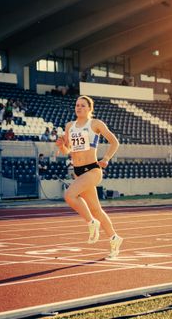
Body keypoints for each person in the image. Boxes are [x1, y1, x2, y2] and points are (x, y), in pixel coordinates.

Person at [55, 95, 122, 259]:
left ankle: (92, 223)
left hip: (92, 170)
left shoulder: (95, 124)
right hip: (78, 171)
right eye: (77, 105)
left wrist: (106, 159)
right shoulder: (69, 126)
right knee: (96, 210)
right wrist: (62, 146)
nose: (79, 108)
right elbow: (69, 151)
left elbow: (115, 142)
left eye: (83, 105)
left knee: (69, 195)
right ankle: (114, 238)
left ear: (90, 108)